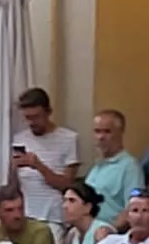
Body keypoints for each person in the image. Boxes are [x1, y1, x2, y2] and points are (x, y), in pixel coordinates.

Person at [11, 86, 80, 226]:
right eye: (27, 118)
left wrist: (38, 166)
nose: (31, 123)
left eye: (36, 117)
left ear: (48, 112)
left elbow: (66, 185)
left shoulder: (68, 139)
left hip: (53, 217)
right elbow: (15, 183)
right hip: (26, 215)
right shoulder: (20, 139)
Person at [85, 110, 142, 228]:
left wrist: (110, 232)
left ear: (120, 133)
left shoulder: (129, 167)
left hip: (110, 232)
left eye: (107, 131)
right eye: (97, 131)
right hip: (87, 231)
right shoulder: (96, 167)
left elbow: (133, 208)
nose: (101, 137)